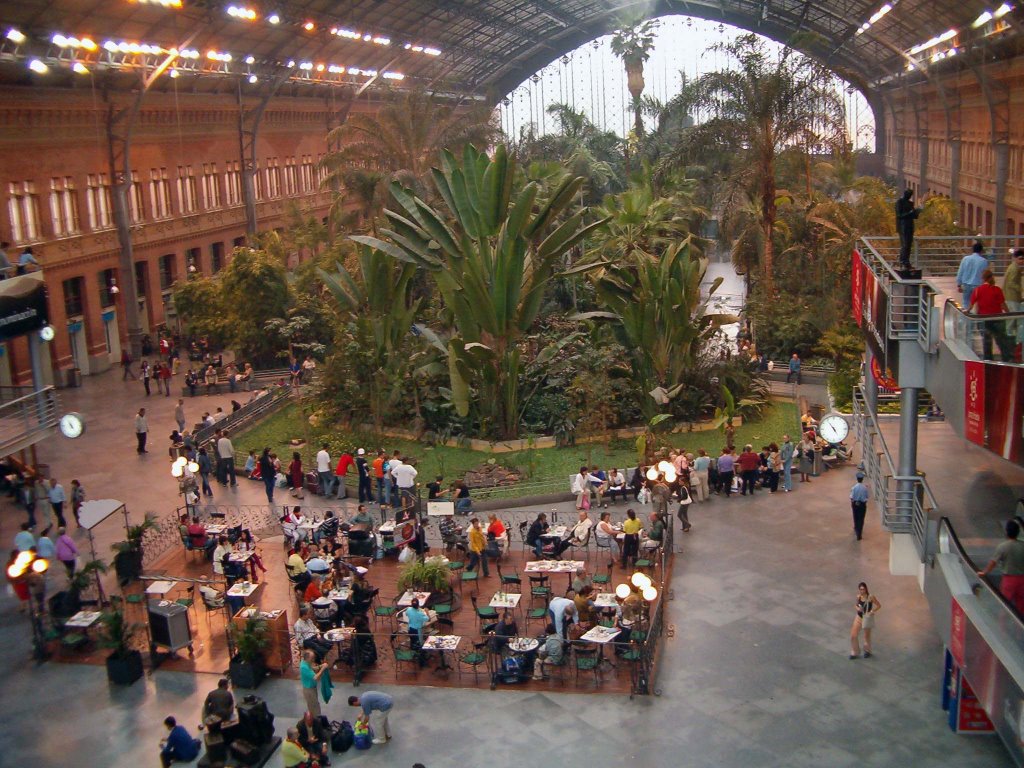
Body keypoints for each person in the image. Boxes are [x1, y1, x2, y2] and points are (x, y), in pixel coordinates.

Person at [978, 519, 1024, 614]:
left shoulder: (1003, 546)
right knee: (1021, 606)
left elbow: (993, 562)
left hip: (1009, 580)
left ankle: (1002, 626)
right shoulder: (1022, 545)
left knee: (1004, 605)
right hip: (1022, 579)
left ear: (1007, 532)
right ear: (1018, 532)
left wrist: (984, 572)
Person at [968, 268, 1014, 362]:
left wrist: (966, 312)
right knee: (1001, 341)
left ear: (983, 279)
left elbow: (971, 305)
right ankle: (1006, 360)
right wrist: (1009, 313)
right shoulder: (997, 290)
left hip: (984, 320)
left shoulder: (977, 290)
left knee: (987, 342)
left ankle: (988, 361)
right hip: (998, 319)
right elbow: (1002, 304)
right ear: (991, 278)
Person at [849, 582, 881, 659]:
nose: (862, 591)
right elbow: (856, 605)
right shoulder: (858, 596)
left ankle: (867, 650)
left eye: (863, 589)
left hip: (867, 618)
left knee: (867, 636)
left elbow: (879, 605)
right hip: (859, 617)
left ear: (866, 589)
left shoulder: (871, 597)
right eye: (860, 589)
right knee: (853, 635)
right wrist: (858, 608)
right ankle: (855, 651)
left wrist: (872, 611)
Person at [956, 241, 989, 309]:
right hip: (978, 285)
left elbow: (960, 272)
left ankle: (965, 317)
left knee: (965, 303)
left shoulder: (965, 259)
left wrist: (959, 284)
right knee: (978, 304)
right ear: (981, 250)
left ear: (972, 250)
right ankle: (977, 318)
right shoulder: (983, 261)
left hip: (966, 284)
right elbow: (985, 275)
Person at [894, 188, 922, 269]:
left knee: (909, 245)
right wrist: (909, 213)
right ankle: (902, 261)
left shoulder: (910, 203)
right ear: (905, 193)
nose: (909, 195)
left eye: (910, 194)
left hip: (910, 226)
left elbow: (915, 216)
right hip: (903, 227)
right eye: (908, 193)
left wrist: (918, 211)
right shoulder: (899, 202)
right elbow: (899, 215)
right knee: (905, 245)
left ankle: (907, 261)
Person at [299, 649, 328, 718]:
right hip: (309, 690)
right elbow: (315, 677)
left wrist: (320, 666)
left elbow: (313, 668)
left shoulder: (306, 662)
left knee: (314, 704)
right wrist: (322, 669)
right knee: (314, 706)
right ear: (307, 658)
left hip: (312, 688)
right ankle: (316, 721)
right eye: (312, 658)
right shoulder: (304, 667)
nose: (313, 659)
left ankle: (315, 720)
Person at [1004, 248, 1024, 348]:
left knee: (1013, 319)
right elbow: (1011, 283)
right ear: (1015, 258)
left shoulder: (1013, 267)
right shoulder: (1015, 269)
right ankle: (1010, 340)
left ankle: (1012, 339)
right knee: (1012, 319)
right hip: (1012, 297)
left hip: (1012, 297)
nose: (1022, 261)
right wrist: (1020, 289)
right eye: (1020, 258)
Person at [850, 473, 870, 541]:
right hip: (862, 504)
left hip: (855, 504)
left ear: (857, 479)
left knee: (855, 517)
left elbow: (851, 497)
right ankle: (859, 533)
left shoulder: (854, 487)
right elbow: (867, 497)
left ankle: (856, 528)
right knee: (861, 519)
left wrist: (852, 503)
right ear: (862, 479)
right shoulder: (865, 488)